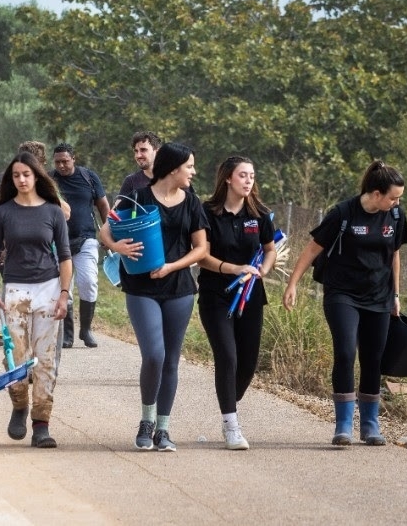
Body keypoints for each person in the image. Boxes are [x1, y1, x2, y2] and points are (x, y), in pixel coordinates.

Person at [282, 160, 407, 447]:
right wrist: (292, 284)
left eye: (399, 197)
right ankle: (343, 423)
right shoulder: (342, 213)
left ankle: (370, 424)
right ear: (376, 193)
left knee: (373, 359)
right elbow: (313, 248)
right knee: (344, 353)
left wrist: (396, 295)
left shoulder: (396, 217)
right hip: (342, 295)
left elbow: (395, 256)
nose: (397, 202)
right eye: (393, 197)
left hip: (379, 297)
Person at [99, 142, 209, 452]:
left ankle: (163, 428)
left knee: (171, 360)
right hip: (141, 288)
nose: (193, 172)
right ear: (173, 168)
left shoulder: (192, 203)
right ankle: (145, 421)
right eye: (189, 166)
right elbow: (106, 231)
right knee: (154, 355)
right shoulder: (138, 196)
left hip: (179, 290)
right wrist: (117, 247)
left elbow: (201, 249)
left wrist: (172, 265)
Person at [0, 151, 72, 448]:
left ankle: (41, 423)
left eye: (26, 174)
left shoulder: (53, 212)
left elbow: (65, 256)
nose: (21, 180)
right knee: (16, 357)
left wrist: (63, 294)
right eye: (16, 175)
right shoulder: (4, 213)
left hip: (48, 290)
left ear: (36, 177)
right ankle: (19, 405)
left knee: (45, 360)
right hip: (15, 292)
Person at [195, 156, 277, 450]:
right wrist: (233, 268)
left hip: (251, 294)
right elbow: (201, 255)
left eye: (252, 176)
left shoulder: (260, 214)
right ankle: (231, 424)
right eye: (243, 175)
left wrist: (263, 270)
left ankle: (228, 400)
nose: (248, 180)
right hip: (216, 294)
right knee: (227, 357)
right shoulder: (207, 212)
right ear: (228, 178)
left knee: (248, 363)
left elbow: (270, 250)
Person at [51, 143, 110, 349]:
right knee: (63, 287)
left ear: (73, 158)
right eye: (57, 162)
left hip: (86, 238)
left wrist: (108, 231)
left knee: (88, 281)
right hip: (58, 242)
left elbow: (103, 205)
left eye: (65, 161)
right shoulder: (50, 180)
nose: (61, 165)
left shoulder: (89, 177)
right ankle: (68, 335)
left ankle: (86, 329)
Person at [118, 131, 162, 199]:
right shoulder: (131, 181)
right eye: (136, 151)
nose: (138, 155)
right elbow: (117, 209)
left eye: (143, 150)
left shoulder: (172, 179)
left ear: (157, 152)